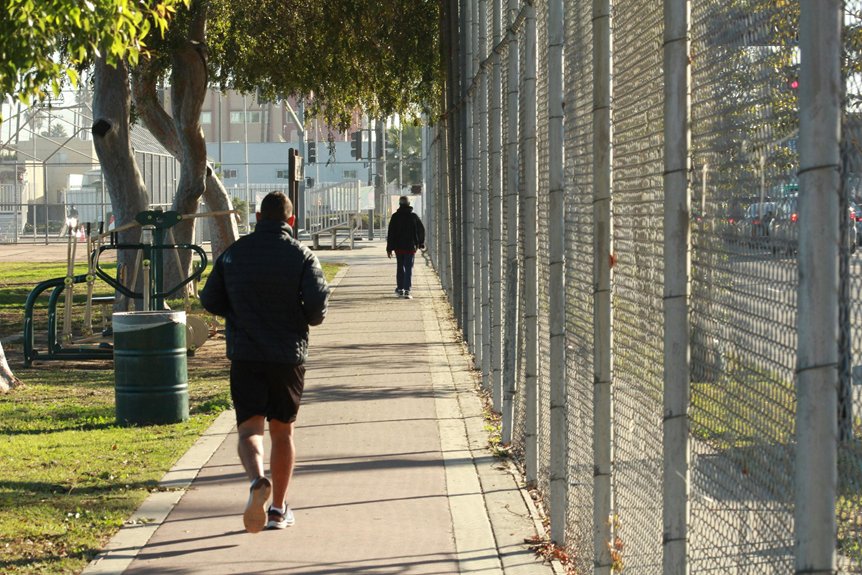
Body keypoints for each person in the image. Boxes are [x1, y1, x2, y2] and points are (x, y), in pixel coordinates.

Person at [200, 191, 330, 533]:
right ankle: (277, 509)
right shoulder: (302, 255)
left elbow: (209, 298)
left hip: (246, 353)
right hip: (287, 356)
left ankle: (258, 480)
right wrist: (295, 315)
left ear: (257, 219)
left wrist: (239, 312)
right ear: (291, 221)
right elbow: (317, 311)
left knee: (249, 429)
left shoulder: (234, 254)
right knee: (282, 431)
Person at [386, 195, 425, 299]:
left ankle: (400, 288)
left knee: (400, 267)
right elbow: (421, 231)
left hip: (398, 247)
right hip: (410, 247)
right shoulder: (413, 217)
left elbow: (391, 233)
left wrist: (389, 248)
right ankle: (407, 290)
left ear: (400, 204)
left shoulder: (395, 217)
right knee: (408, 268)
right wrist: (420, 243)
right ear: (409, 204)